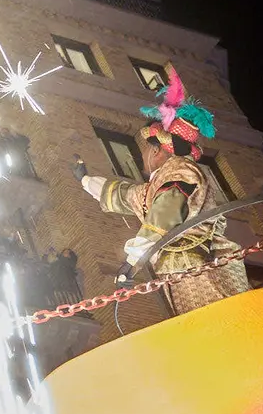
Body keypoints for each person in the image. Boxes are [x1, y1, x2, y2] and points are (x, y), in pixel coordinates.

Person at [76, 67, 247, 314]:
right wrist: (85, 181)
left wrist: (134, 260)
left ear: (157, 150)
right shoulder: (157, 185)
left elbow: (165, 212)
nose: (144, 155)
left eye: (145, 149)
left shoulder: (181, 170)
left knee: (215, 324)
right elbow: (125, 196)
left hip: (200, 266)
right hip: (176, 270)